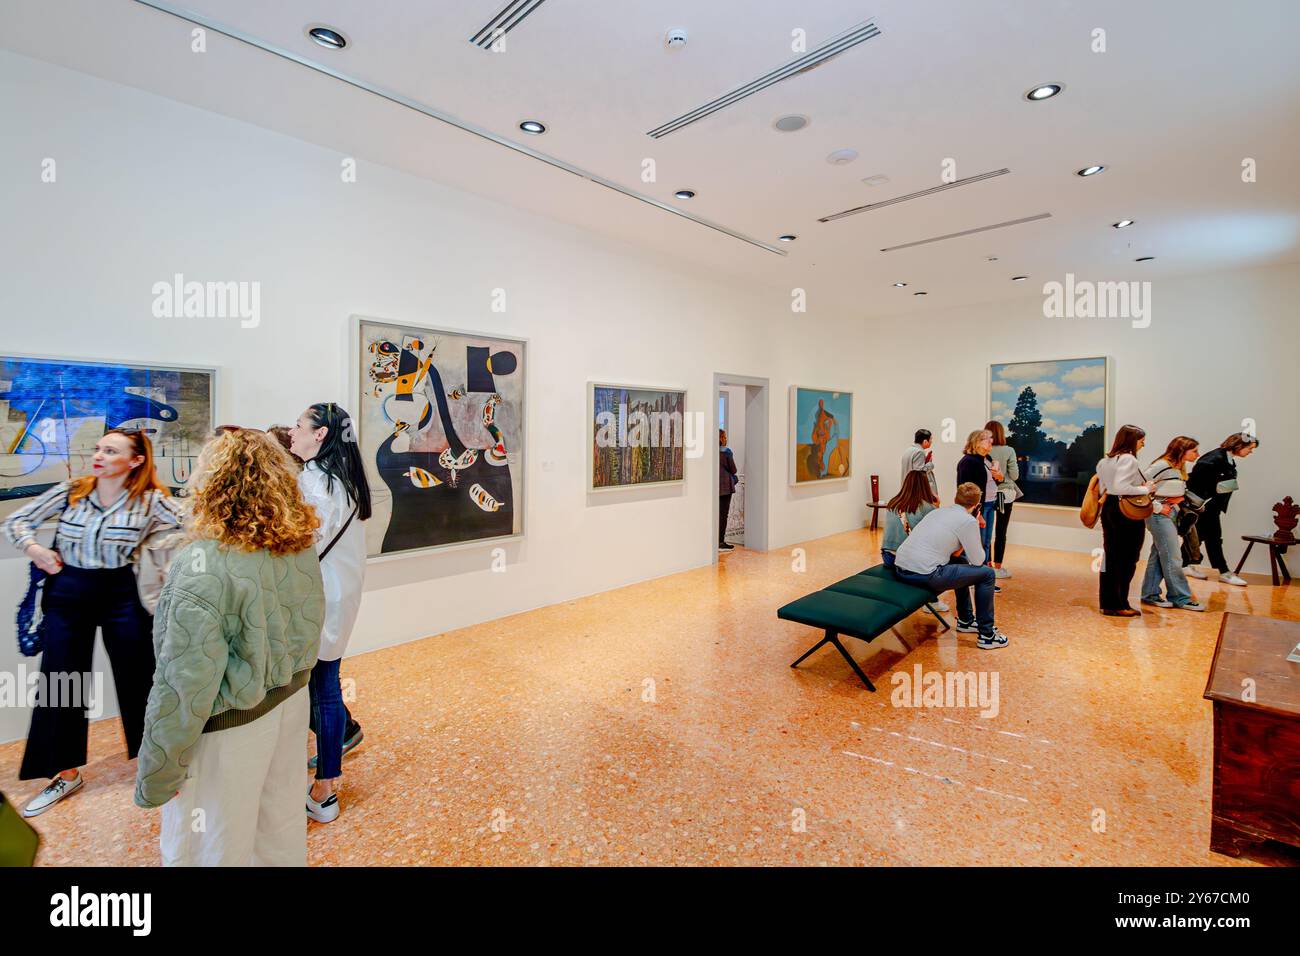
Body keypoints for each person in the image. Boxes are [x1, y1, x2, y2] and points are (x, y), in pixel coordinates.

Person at [134, 427, 325, 865]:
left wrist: (161, 771)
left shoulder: (202, 565)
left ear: (213, 482)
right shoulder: (296, 545)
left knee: (212, 847)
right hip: (289, 704)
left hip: (229, 727)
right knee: (278, 831)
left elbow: (183, 682)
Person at [3, 428, 184, 818]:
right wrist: (36, 550)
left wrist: (162, 550)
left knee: (141, 678)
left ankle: (155, 765)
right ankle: (63, 772)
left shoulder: (152, 500)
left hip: (122, 591)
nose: (98, 456)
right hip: (68, 590)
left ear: (136, 460)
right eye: (98, 449)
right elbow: (17, 522)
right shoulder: (73, 490)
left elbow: (194, 527)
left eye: (110, 450)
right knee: (61, 679)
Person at [289, 403, 371, 824]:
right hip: (338, 594)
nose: (292, 430)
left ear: (320, 434)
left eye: (299, 424)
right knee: (324, 682)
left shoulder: (317, 482)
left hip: (321, 596)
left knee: (322, 686)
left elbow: (305, 542)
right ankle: (329, 766)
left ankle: (325, 789)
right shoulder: (342, 479)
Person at [894, 482, 1010, 649]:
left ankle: (966, 620)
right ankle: (987, 635)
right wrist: (974, 525)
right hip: (925, 574)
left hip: (902, 569)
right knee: (987, 574)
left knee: (961, 562)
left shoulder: (938, 512)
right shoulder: (968, 521)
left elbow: (954, 555)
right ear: (977, 505)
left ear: (956, 499)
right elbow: (978, 561)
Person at [1095, 424, 1156, 617]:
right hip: (1125, 512)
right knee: (1127, 558)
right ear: (1132, 441)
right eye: (1141, 440)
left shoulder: (1105, 461)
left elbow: (1106, 487)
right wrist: (1146, 489)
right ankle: (1119, 603)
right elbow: (1121, 487)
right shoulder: (1129, 459)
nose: (1143, 444)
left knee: (1111, 557)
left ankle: (1109, 602)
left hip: (1110, 509)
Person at [1185, 432, 1260, 586]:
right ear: (1240, 445)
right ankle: (1224, 572)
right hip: (1205, 507)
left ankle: (1184, 564)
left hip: (1212, 507)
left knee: (1199, 538)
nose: (1250, 452)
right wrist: (1203, 502)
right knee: (1213, 538)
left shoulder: (1227, 459)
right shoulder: (1213, 459)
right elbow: (1195, 481)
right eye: (1250, 448)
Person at [1140, 436, 1205, 611]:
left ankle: (1150, 594)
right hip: (1160, 515)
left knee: (1160, 555)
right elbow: (1138, 487)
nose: (1197, 454)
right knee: (1173, 557)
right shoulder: (1161, 465)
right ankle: (1181, 597)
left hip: (1172, 513)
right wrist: (1157, 507)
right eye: (1194, 451)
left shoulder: (1179, 467)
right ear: (1182, 450)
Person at [880, 470, 949, 613]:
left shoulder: (893, 503)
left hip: (887, 556)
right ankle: (932, 600)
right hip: (905, 560)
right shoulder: (926, 507)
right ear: (925, 486)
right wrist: (937, 506)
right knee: (941, 561)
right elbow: (935, 535)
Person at [956, 429, 999, 567]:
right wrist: (977, 514)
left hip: (986, 505)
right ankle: (976, 578)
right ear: (977, 443)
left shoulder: (983, 460)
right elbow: (965, 492)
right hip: (976, 509)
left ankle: (984, 577)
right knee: (976, 545)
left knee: (985, 543)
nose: (991, 441)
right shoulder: (968, 462)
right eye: (987, 438)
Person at [984, 420, 1021, 579]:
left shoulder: (984, 450)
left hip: (987, 494)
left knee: (986, 532)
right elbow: (1015, 476)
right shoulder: (1009, 450)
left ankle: (987, 565)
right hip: (1003, 495)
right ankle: (998, 567)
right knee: (1001, 531)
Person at [901, 428, 939, 498]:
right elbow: (920, 473)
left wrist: (925, 462)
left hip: (907, 489)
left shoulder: (908, 450)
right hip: (916, 491)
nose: (932, 441)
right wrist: (930, 464)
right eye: (930, 439)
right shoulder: (919, 452)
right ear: (925, 441)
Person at [719, 430, 738, 553]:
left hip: (713, 486)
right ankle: (720, 542)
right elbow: (734, 469)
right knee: (723, 515)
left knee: (715, 515)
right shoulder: (726, 452)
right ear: (721, 438)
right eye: (724, 436)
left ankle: (713, 540)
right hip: (725, 486)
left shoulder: (710, 452)